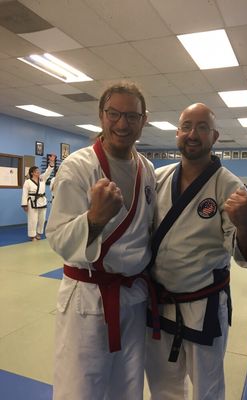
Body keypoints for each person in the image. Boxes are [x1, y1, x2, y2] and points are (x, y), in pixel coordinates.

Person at [46, 82, 158, 400]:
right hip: (88, 296)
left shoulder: (147, 170)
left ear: (143, 120)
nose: (122, 124)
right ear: (101, 115)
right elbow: (58, 239)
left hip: (133, 297)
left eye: (132, 116)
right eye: (114, 113)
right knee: (80, 387)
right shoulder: (77, 168)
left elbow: (145, 233)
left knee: (129, 387)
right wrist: (94, 219)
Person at [145, 103, 247, 400]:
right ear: (177, 133)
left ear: (214, 135)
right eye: (186, 126)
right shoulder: (158, 178)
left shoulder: (228, 185)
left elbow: (244, 257)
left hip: (203, 305)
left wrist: (245, 225)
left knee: (208, 389)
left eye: (201, 127)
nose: (193, 134)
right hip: (159, 304)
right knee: (162, 386)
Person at [21, 154, 55, 241]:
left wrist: (51, 161)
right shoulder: (27, 182)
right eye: (36, 171)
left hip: (42, 201)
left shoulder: (42, 179)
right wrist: (24, 204)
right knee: (33, 219)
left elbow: (48, 171)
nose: (38, 172)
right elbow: (25, 193)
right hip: (32, 201)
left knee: (42, 219)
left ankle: (39, 233)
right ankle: (32, 235)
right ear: (32, 173)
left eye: (38, 171)